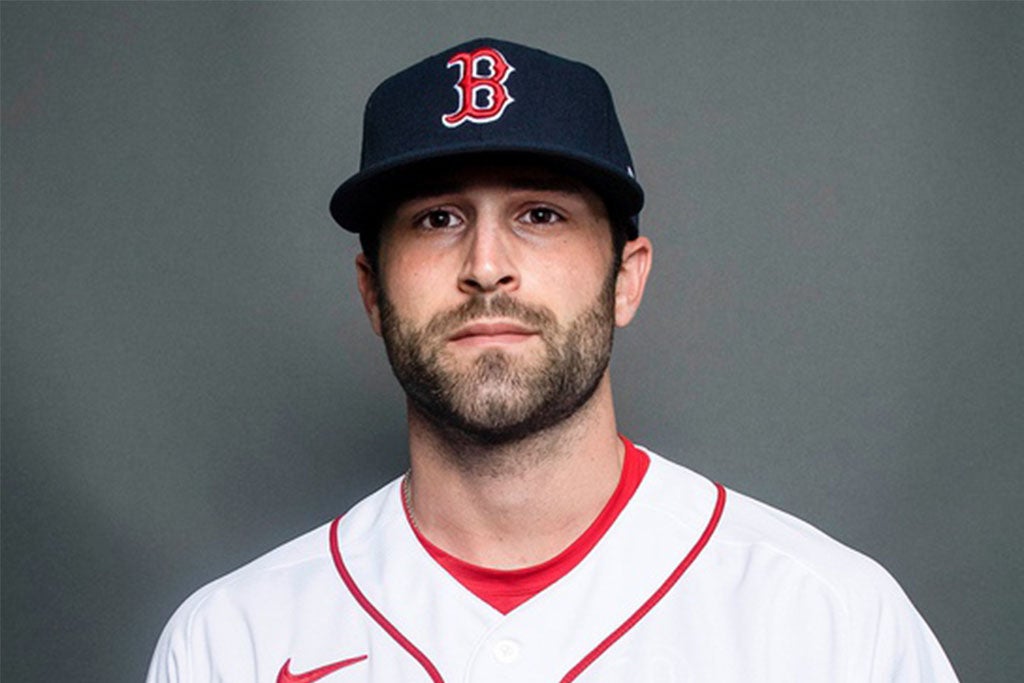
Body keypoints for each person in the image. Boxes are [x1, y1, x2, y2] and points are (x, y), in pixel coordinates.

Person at [147, 38, 958, 682]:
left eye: (539, 213)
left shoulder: (826, 623)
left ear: (625, 280)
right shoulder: (232, 645)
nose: (487, 263)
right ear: (371, 290)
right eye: (436, 219)